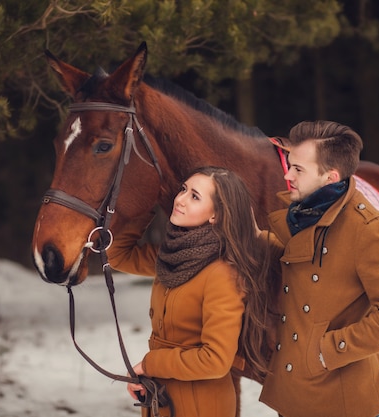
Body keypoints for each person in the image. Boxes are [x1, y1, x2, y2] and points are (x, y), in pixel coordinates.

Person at [258, 120, 379, 417]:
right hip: (295, 394)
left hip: (345, 402)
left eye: (298, 169)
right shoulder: (302, 215)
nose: (287, 175)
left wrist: (328, 350)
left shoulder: (370, 231)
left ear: (330, 177)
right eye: (290, 165)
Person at [107, 166, 271, 417]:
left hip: (200, 405)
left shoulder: (223, 273)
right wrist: (144, 203)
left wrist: (150, 365)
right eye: (183, 189)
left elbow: (215, 360)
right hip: (161, 397)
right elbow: (118, 255)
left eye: (194, 196)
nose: (180, 199)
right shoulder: (172, 255)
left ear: (215, 215)